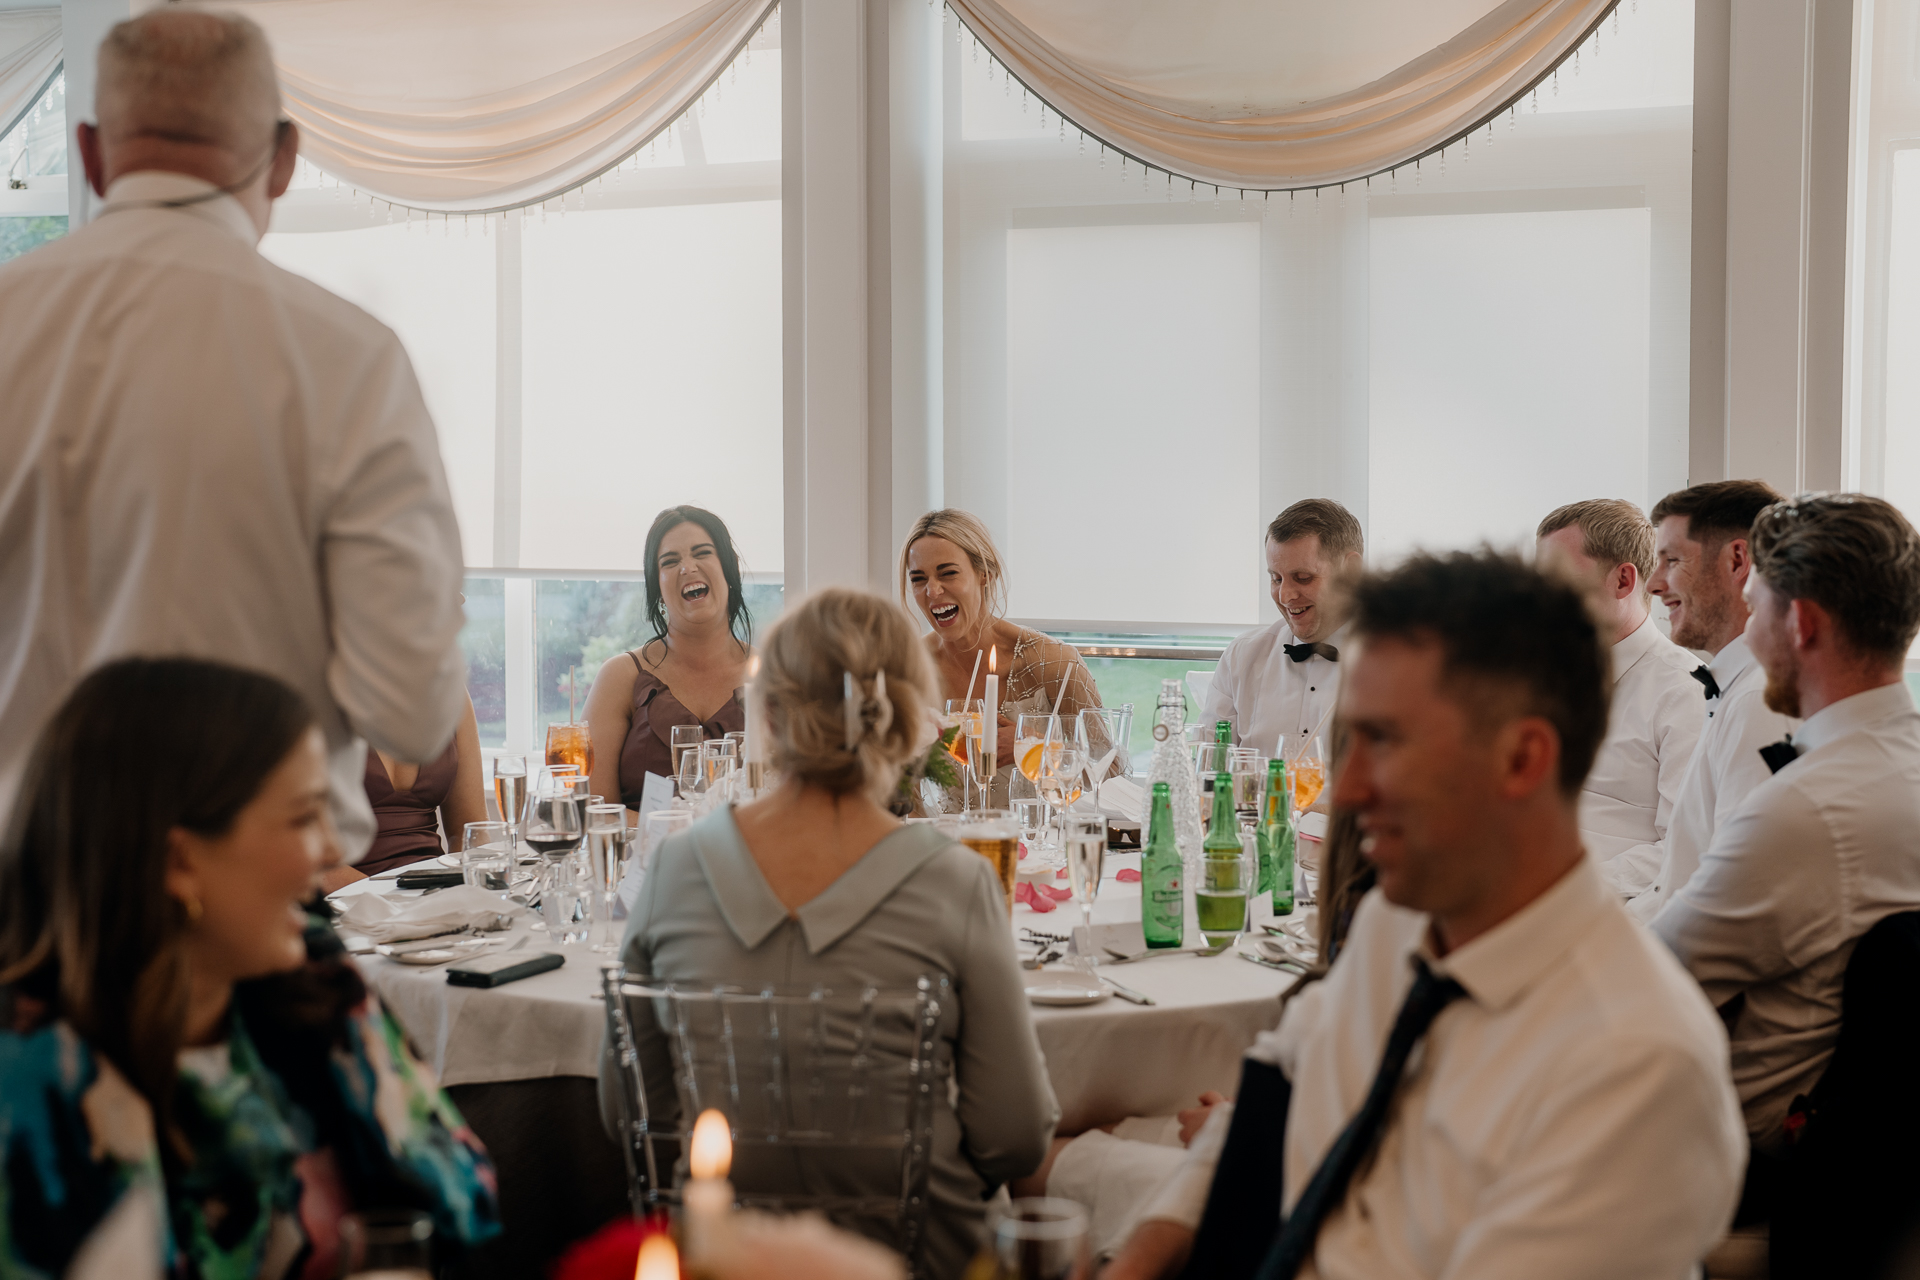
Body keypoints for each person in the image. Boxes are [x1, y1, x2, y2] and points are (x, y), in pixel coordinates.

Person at [1105, 551, 1744, 1280]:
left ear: (1522, 759)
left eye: (1385, 742)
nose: (1343, 792)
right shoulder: (1396, 924)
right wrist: (1143, 1254)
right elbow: (1277, 1093)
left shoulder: (1636, 1069)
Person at [0, 10, 467, 858]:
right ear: (283, 159)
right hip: (245, 931)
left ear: (92, 153)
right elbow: (412, 707)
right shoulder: (351, 363)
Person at [601, 588, 1058, 1279]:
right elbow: (1016, 1140)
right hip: (915, 1259)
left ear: (772, 716)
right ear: (908, 721)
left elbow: (631, 1111)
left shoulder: (675, 867)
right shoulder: (955, 883)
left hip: (725, 1259)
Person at [0, 658, 499, 1276]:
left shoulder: (314, 991)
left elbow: (465, 1203)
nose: (330, 849)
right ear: (179, 862)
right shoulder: (34, 1083)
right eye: (302, 815)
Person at [1652, 493, 1920, 1220]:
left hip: (1743, 1154)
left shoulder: (1806, 807)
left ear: (1798, 622)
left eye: (1756, 597)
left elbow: (1646, 985)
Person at [1622, 480, 1797, 918]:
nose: (1655, 584)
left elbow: (1738, 899)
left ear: (1738, 560)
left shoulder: (1761, 703)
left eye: (1672, 560)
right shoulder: (1735, 688)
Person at [1537, 499, 1702, 896]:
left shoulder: (1687, 692)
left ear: (1623, 581)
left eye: (1557, 580)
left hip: (1602, 912)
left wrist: (1569, 892)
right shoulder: (1541, 678)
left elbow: (1687, 848)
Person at [900, 509, 1102, 809]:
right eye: (919, 579)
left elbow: (1107, 770)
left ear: (985, 574)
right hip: (944, 847)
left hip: (1039, 846)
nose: (932, 590)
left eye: (948, 573)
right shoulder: (907, 669)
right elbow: (900, 789)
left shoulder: (1053, 661)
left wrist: (1035, 748)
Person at [586, 506, 754, 814]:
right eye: (670, 561)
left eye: (702, 553)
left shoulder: (776, 674)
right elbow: (596, 815)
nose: (687, 568)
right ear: (658, 588)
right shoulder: (619, 677)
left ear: (729, 571)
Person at [1201, 499, 1362, 759]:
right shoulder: (1243, 656)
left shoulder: (1398, 664)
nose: (1285, 595)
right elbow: (1207, 765)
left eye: (1303, 578)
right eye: (1276, 578)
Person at [332, 691, 489, 883]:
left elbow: (472, 829)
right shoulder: (310, 688)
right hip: (346, 894)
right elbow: (295, 848)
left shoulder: (449, 690)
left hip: (431, 887)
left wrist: (464, 886)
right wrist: (384, 900)